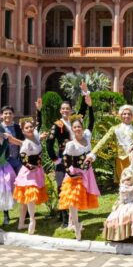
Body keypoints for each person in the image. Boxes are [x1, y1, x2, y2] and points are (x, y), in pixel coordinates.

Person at [46, 83, 92, 227]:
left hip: (77, 157)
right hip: (63, 157)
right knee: (61, 185)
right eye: (63, 109)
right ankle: (64, 218)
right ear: (60, 111)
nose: (66, 111)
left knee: (76, 185)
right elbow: (49, 142)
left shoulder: (75, 121)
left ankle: (72, 215)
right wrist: (55, 158)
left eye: (68, 108)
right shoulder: (57, 125)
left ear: (71, 110)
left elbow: (84, 109)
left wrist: (85, 92)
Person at [59, 108, 100, 241]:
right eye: (75, 127)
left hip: (87, 173)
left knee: (80, 199)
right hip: (76, 174)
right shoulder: (71, 144)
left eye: (79, 127)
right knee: (72, 200)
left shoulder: (87, 139)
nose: (77, 129)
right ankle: (76, 225)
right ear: (72, 129)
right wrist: (70, 174)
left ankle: (75, 223)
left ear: (82, 128)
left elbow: (92, 123)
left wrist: (90, 106)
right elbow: (65, 160)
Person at [8, 99, 47, 234]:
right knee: (29, 196)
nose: (30, 129)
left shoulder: (35, 137)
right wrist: (32, 167)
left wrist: (39, 110)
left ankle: (20, 224)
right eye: (27, 128)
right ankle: (31, 220)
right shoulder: (26, 143)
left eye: (31, 127)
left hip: (37, 170)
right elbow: (23, 158)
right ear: (23, 131)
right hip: (29, 172)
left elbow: (40, 123)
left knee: (26, 200)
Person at [0, 106, 24, 225]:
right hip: (6, 162)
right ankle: (6, 215)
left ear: (13, 115)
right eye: (5, 113)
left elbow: (23, 141)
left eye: (10, 113)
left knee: (23, 185)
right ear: (1, 115)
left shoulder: (16, 127)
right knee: (6, 188)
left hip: (18, 161)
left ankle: (25, 213)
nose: (8, 116)